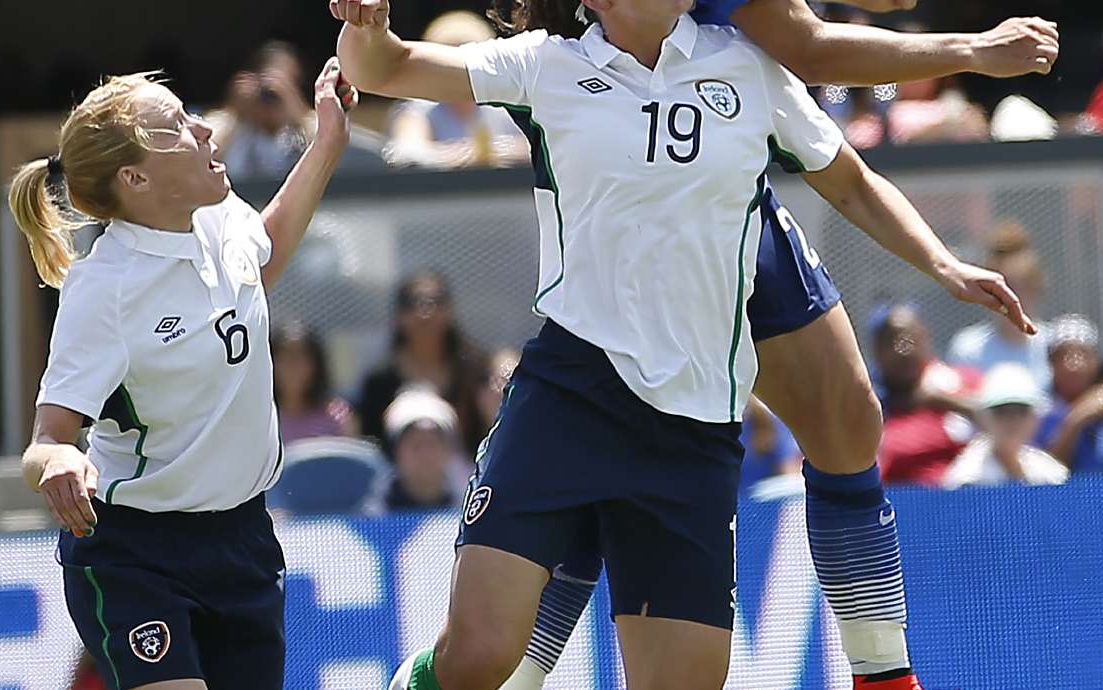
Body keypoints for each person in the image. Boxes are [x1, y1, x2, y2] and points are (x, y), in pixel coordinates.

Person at [332, 2, 1037, 690]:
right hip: (569, 400)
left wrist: (945, 264)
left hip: (693, 430)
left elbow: (849, 179)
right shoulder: (544, 66)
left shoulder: (749, 70)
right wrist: (365, 25)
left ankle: (883, 667)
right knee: (475, 662)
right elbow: (386, 67)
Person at [9, 61, 355, 690]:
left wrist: (327, 141)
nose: (200, 127)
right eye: (174, 127)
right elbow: (46, 438)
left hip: (246, 539)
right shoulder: (104, 288)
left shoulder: (219, 218)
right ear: (135, 178)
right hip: (136, 554)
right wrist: (58, 461)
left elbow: (263, 258)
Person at [356, 271, 488, 458]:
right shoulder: (379, 379)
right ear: (398, 315)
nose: (425, 312)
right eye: (413, 304)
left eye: (436, 302)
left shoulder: (473, 371)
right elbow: (371, 442)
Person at [209, 41, 383, 180]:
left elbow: (353, 152)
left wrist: (300, 114)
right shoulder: (232, 127)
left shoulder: (304, 131)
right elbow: (202, 152)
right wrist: (234, 113)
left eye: (285, 86)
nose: (271, 97)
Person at [385, 11, 530, 168]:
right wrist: (467, 154)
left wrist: (499, 151)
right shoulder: (419, 111)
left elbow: (540, 145)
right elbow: (406, 152)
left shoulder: (506, 108)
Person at [874, 305, 981, 486]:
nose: (903, 351)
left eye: (910, 339)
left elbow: (1006, 421)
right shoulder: (867, 398)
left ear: (926, 339)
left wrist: (944, 402)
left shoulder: (958, 382)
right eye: (891, 341)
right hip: (892, 500)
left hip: (962, 497)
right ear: (877, 351)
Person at [948, 222, 1051, 387]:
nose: (1013, 298)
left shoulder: (1053, 345)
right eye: (1006, 288)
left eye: (1021, 287)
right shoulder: (968, 347)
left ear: (1036, 288)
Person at [943, 363, 1067, 489]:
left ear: (1035, 418)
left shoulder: (1048, 470)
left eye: (1021, 411)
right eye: (1001, 411)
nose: (1012, 420)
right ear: (983, 418)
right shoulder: (967, 478)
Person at [1036, 315, 1103, 473]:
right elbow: (1047, 473)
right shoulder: (1040, 413)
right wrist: (1077, 419)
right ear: (1051, 363)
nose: (1074, 364)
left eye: (1083, 354)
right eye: (1064, 355)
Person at [271, 322, 355, 445]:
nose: (294, 365)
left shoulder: (335, 416)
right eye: (285, 357)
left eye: (302, 356)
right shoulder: (261, 417)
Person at [381, 388, 465, 510]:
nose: (425, 454)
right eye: (416, 444)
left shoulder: (470, 514)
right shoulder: (368, 521)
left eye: (432, 443)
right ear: (395, 452)